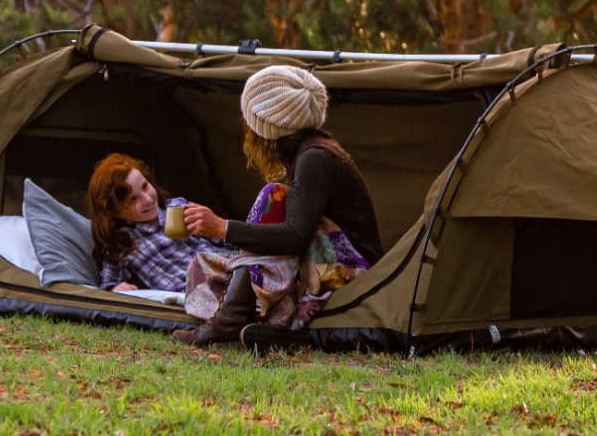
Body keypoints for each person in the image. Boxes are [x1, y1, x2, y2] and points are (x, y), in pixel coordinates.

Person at [168, 65, 382, 345]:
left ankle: (228, 322)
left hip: (349, 275)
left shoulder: (315, 158)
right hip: (315, 271)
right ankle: (260, 324)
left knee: (273, 196)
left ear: (266, 125)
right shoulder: (309, 152)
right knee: (202, 266)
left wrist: (222, 228)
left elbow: (294, 237)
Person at [86, 154, 225, 293]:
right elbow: (109, 282)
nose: (147, 199)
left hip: (224, 271)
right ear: (114, 211)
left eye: (145, 186)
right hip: (195, 291)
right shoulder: (121, 243)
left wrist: (214, 225)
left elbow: (221, 236)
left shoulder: (178, 206)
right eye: (133, 199)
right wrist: (116, 287)